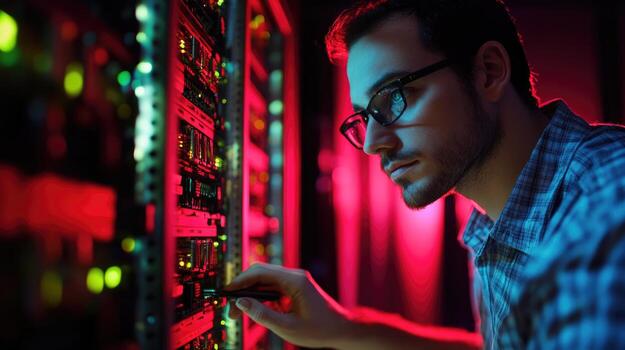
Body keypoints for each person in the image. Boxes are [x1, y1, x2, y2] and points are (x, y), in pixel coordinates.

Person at [226, 0, 625, 348]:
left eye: (394, 98)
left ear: (488, 71)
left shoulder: (606, 205)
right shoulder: (494, 220)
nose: (371, 143)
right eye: (365, 117)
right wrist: (346, 330)